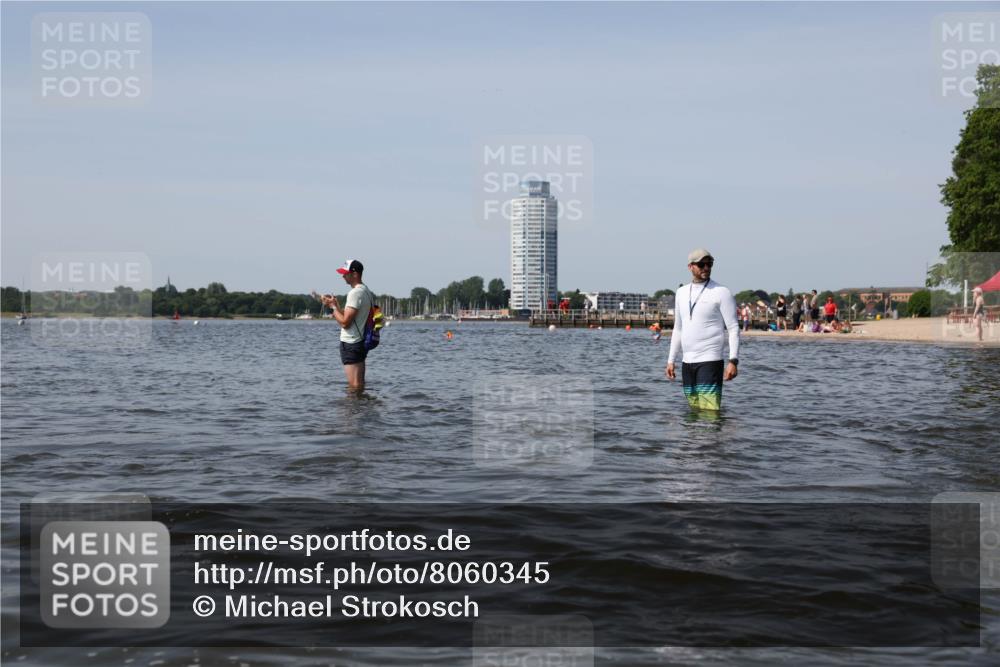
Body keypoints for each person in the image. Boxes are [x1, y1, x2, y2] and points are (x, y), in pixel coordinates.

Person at [666, 249, 739, 411]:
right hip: (687, 362)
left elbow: (733, 328)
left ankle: (713, 437)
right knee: (694, 412)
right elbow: (678, 329)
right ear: (690, 267)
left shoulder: (721, 292)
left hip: (710, 360)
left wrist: (733, 361)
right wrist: (671, 360)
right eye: (701, 264)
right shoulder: (681, 293)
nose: (706, 267)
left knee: (709, 413)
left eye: (709, 264)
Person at [321, 259, 373, 390]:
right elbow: (350, 316)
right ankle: (361, 408)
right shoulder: (366, 291)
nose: (343, 276)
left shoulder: (355, 293)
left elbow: (345, 322)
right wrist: (336, 305)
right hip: (359, 342)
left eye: (346, 273)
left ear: (355, 274)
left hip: (351, 343)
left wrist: (332, 307)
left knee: (354, 386)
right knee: (359, 384)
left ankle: (353, 409)